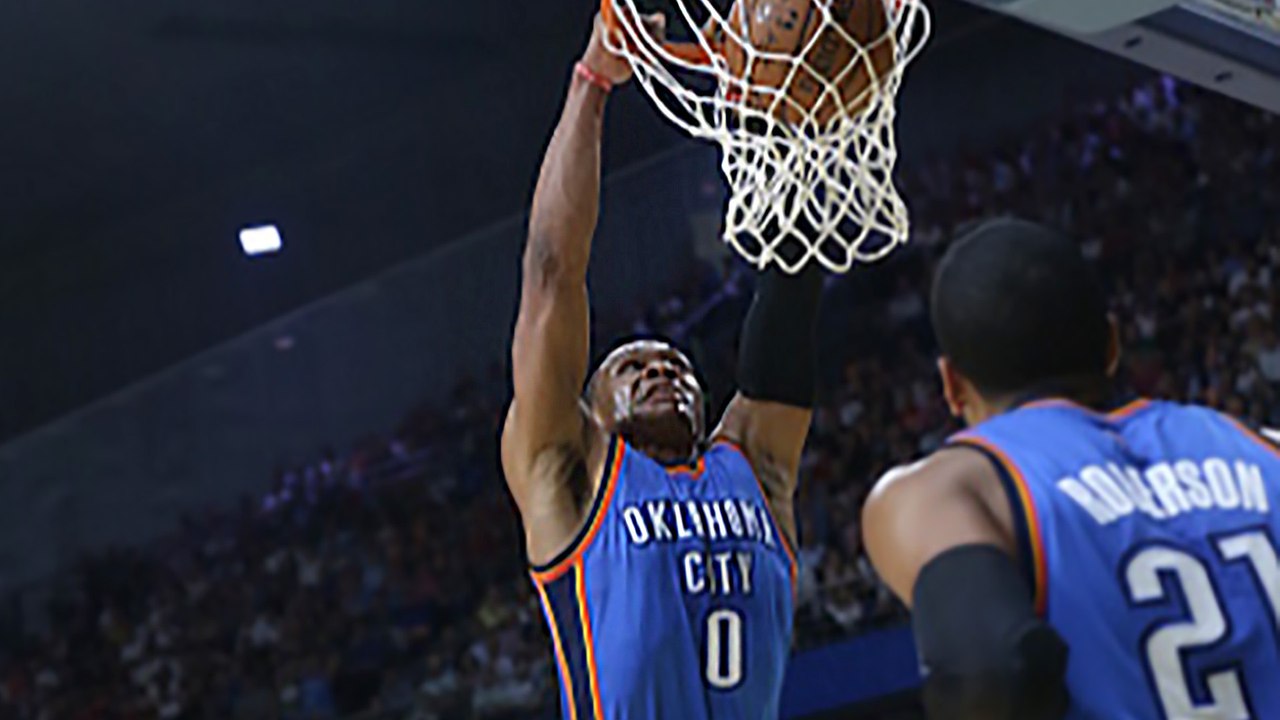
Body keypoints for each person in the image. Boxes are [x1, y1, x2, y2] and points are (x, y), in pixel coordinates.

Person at [500, 12, 822, 720]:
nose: (659, 370)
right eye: (631, 367)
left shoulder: (754, 470)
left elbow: (791, 294)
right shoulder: (571, 475)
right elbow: (552, 272)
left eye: (676, 364)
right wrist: (591, 85)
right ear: (591, 410)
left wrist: (799, 130)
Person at [863, 218, 1280, 720]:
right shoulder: (1262, 446)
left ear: (952, 384)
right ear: (1111, 344)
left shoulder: (949, 490)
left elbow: (991, 674)